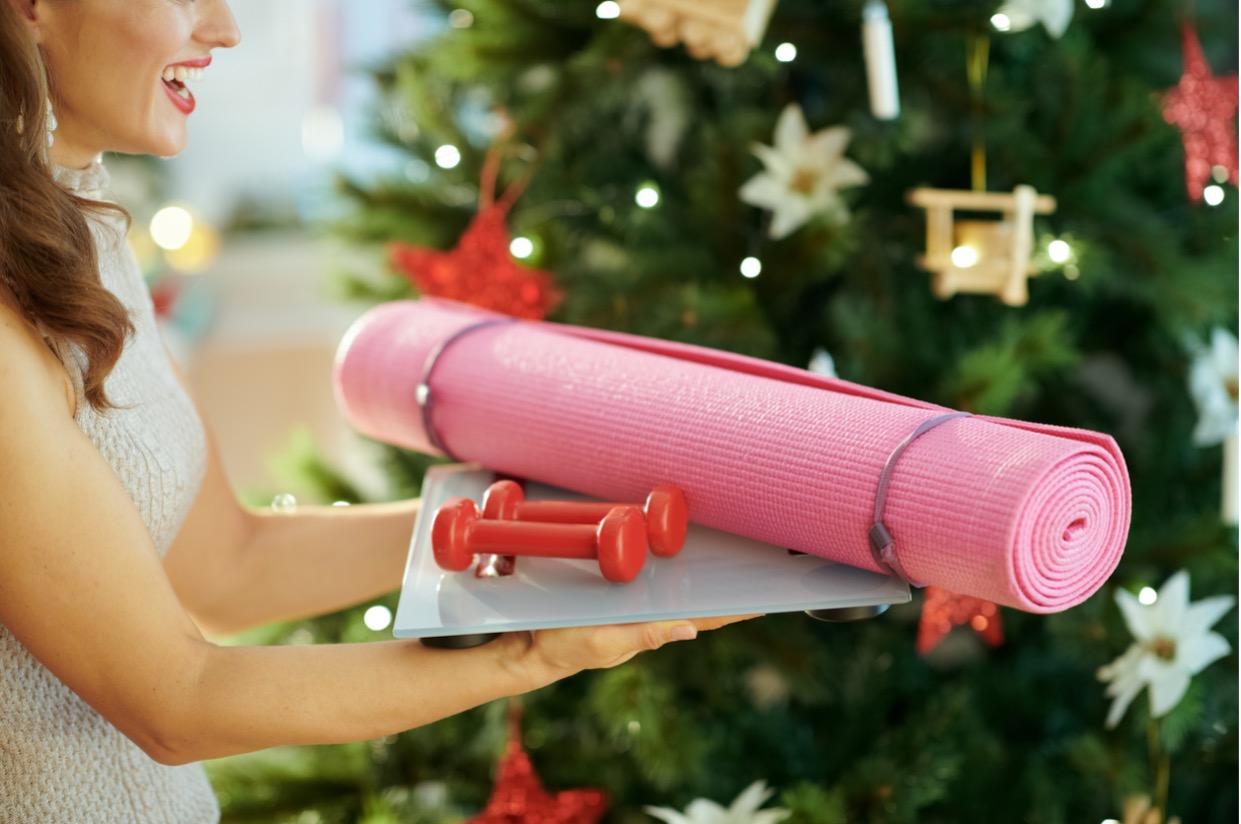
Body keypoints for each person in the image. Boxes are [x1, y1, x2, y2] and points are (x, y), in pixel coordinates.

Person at [0, 1, 747, 820]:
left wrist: (534, 519)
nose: (223, 29)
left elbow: (231, 567)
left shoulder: (78, 234)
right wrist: (528, 655)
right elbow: (177, 698)